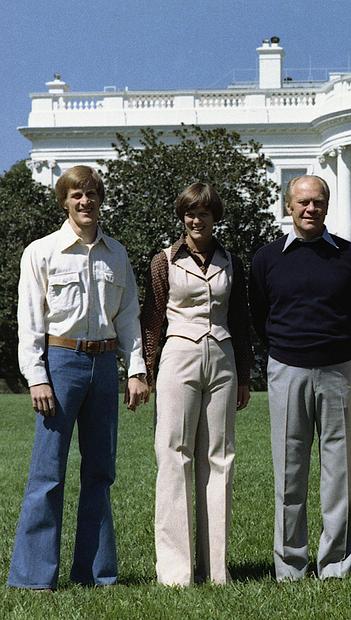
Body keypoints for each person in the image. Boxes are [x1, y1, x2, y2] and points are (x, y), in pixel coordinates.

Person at [8, 165, 149, 591]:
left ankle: (95, 574)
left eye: (90, 194)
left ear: (100, 198)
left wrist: (137, 369)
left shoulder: (116, 254)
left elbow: (128, 316)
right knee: (47, 472)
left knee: (101, 472)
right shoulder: (42, 251)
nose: (84, 202)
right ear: (64, 201)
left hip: (105, 366)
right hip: (60, 363)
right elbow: (30, 320)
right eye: (75, 196)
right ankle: (34, 577)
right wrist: (37, 377)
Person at [249, 175, 351, 580]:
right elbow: (258, 313)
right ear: (289, 206)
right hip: (287, 368)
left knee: (339, 472)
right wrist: (286, 348)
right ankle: (289, 565)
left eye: (318, 202)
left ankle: (335, 563)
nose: (310, 209)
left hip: (340, 370)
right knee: (289, 471)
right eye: (302, 202)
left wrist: (338, 346)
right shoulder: (267, 258)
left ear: (327, 206)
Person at [141, 183, 252, 586]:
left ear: (214, 216)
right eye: (190, 212)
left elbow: (240, 320)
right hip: (178, 356)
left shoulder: (231, 261)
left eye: (203, 212)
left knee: (220, 458)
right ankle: (175, 571)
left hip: (221, 357)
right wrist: (146, 372)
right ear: (182, 216)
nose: (196, 219)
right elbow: (152, 320)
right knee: (173, 454)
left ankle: (217, 569)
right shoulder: (163, 261)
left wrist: (243, 371)